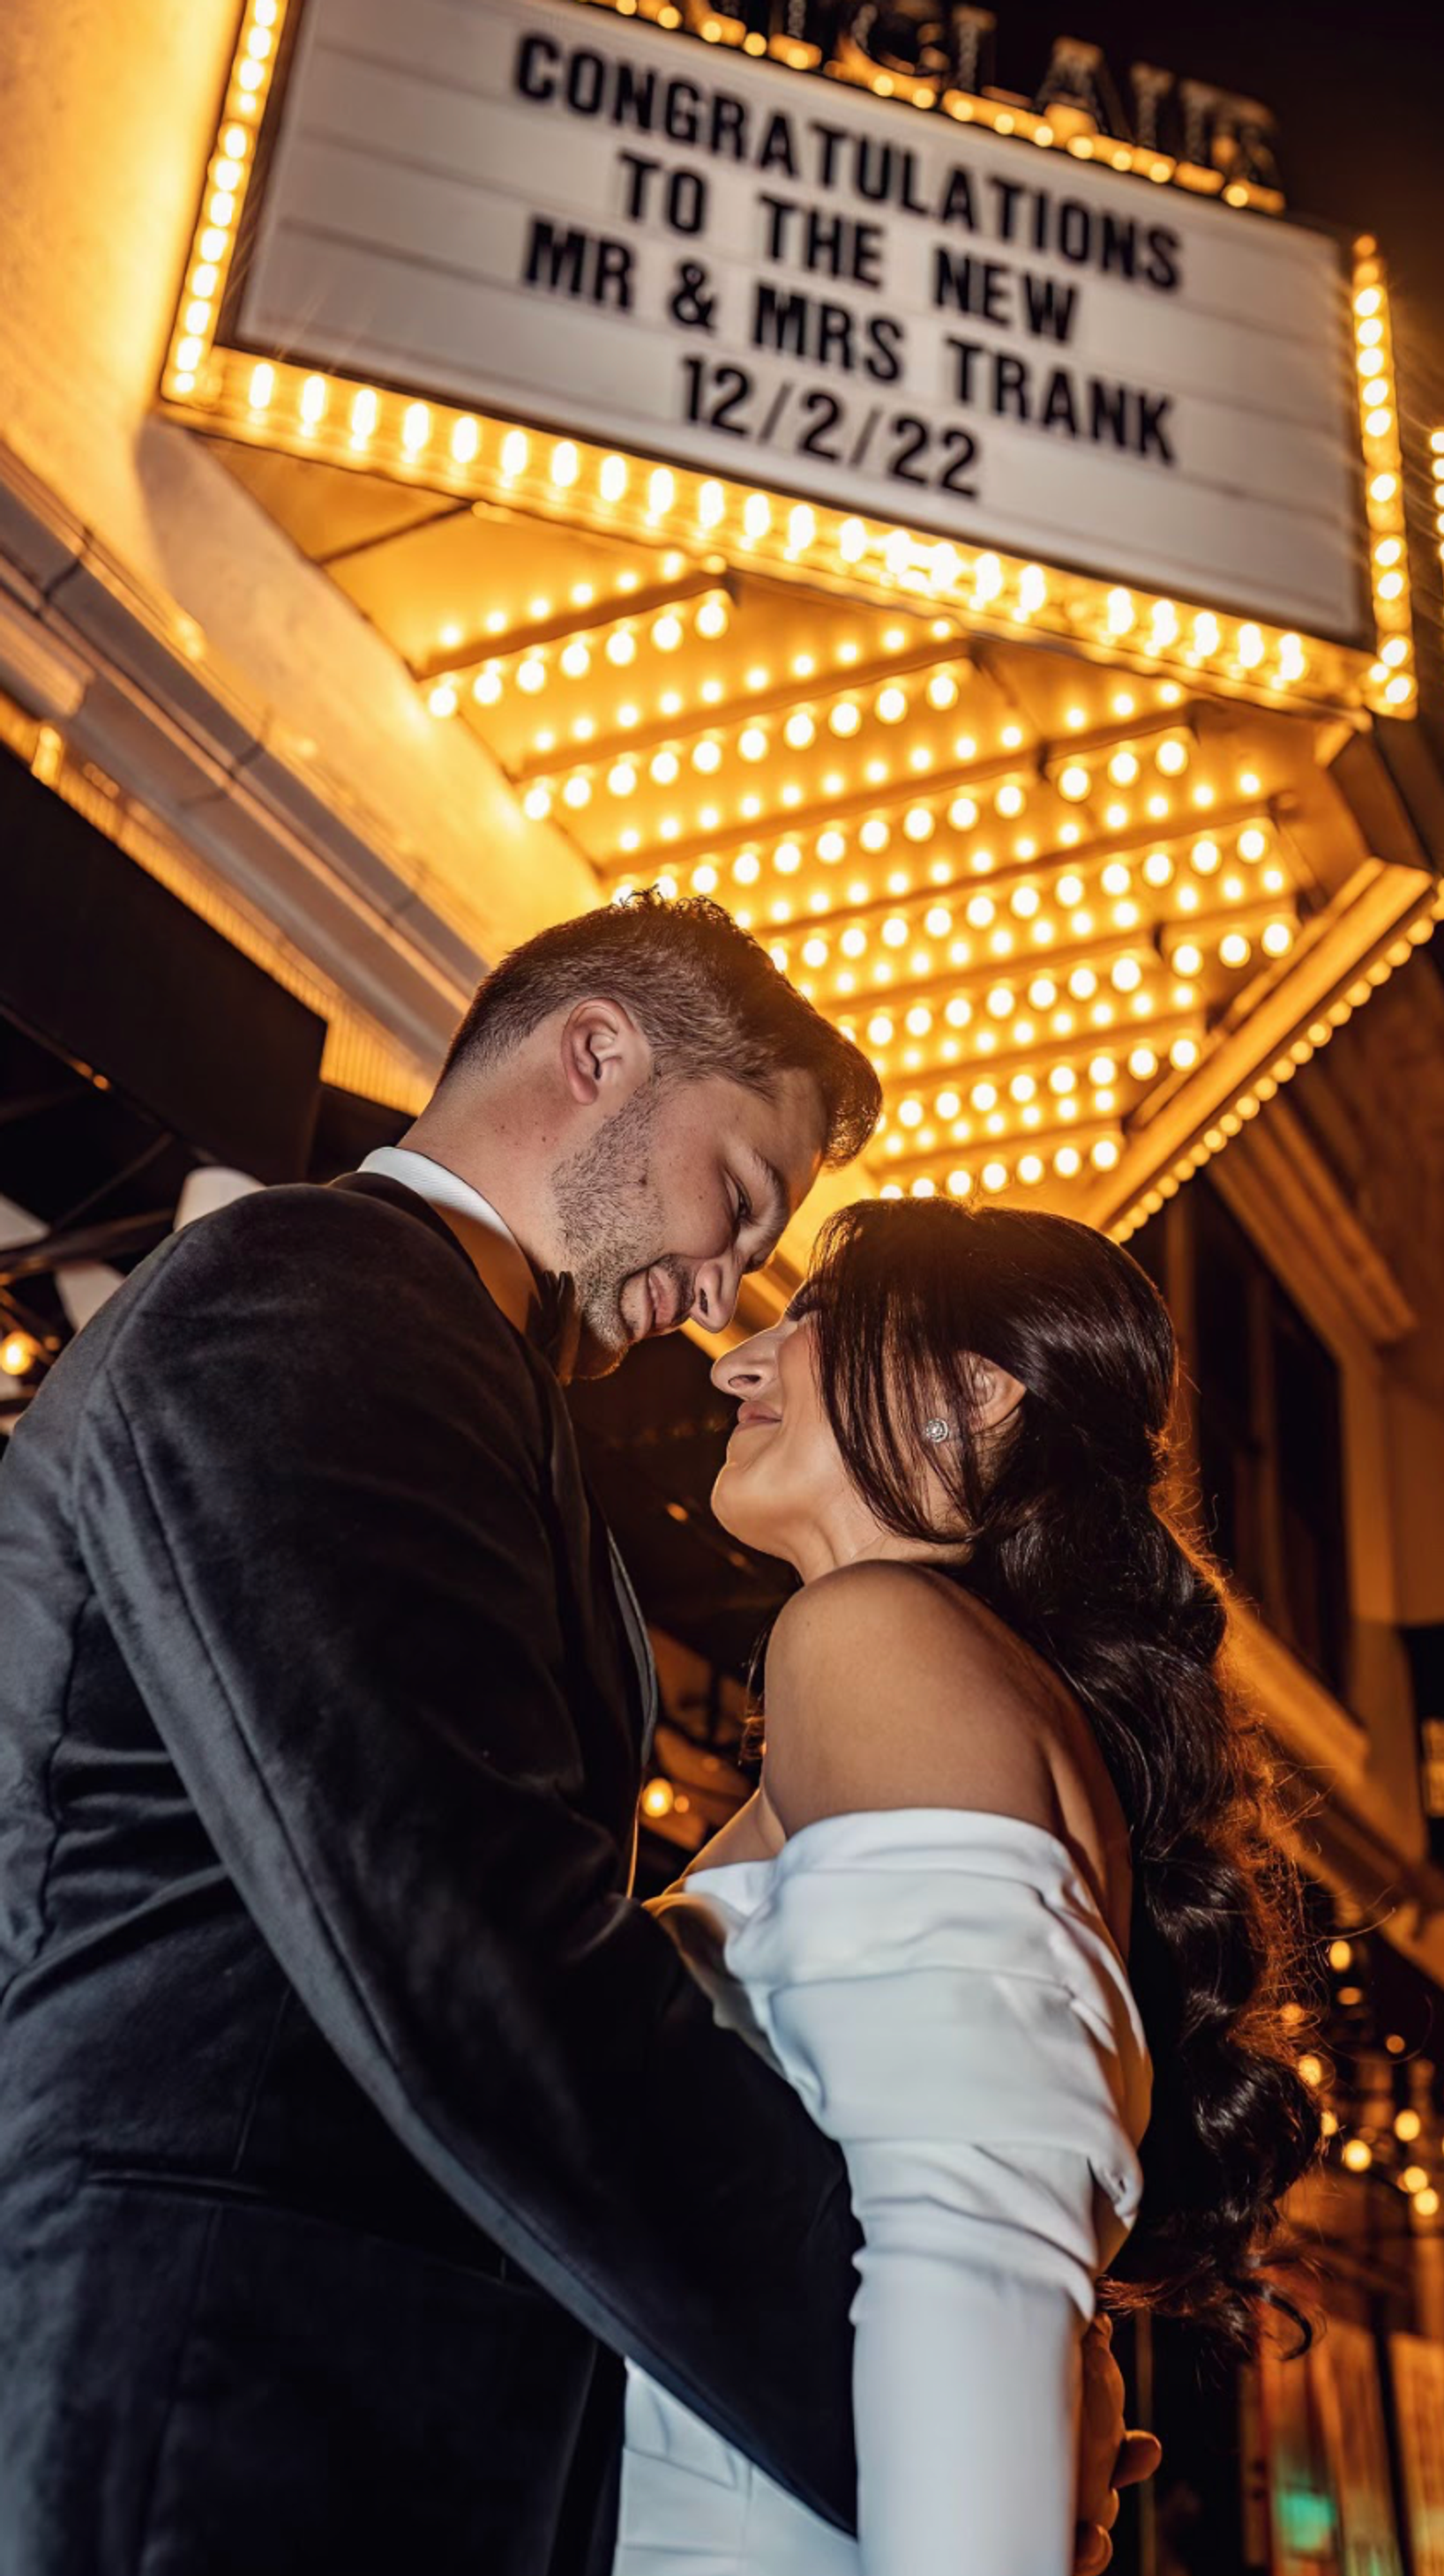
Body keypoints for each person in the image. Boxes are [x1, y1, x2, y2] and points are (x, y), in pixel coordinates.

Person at [0, 896, 1141, 2576]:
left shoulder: (451, 1379)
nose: (716, 1301)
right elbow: (454, 1930)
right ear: (596, 1053)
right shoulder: (318, 1291)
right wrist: (940, 2412)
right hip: (226, 2381)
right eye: (737, 1198)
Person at [615, 1195, 1323, 2573]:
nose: (734, 1362)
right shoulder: (947, 1694)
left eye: (814, 1325)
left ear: (974, 1395)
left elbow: (969, 2231)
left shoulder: (873, 1637)